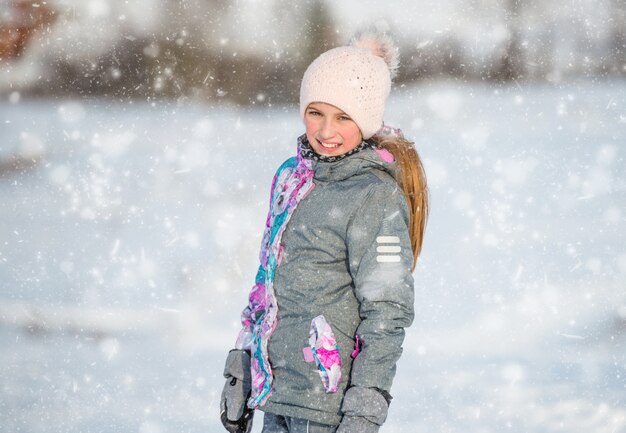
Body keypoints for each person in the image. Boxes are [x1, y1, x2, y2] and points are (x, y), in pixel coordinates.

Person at [220, 31, 429, 433]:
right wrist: (240, 366)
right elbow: (266, 282)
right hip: (276, 394)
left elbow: (387, 311)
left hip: (327, 406)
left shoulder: (373, 196)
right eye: (316, 112)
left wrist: (366, 408)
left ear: (366, 121)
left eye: (344, 117)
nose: (326, 130)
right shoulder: (290, 179)